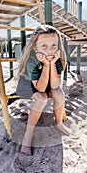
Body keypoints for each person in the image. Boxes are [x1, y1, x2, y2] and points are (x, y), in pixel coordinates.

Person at [16, 25, 70, 156]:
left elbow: (55, 85)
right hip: (28, 87)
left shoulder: (56, 58)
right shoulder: (32, 61)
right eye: (44, 46)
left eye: (53, 45)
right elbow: (39, 88)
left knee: (59, 93)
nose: (50, 50)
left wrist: (51, 63)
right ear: (35, 47)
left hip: (46, 85)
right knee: (42, 98)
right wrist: (46, 64)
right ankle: (27, 137)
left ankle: (58, 123)